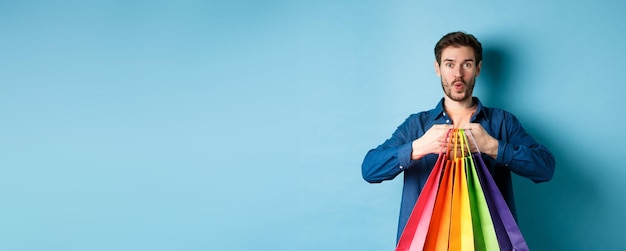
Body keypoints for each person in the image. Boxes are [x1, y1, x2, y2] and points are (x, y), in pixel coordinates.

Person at [361, 31, 556, 242]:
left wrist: (492, 146)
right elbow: (370, 169)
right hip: (426, 243)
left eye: (467, 64)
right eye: (450, 64)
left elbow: (545, 168)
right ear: (438, 68)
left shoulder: (502, 122)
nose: (458, 74)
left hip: (488, 243)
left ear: (478, 69)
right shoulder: (416, 126)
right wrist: (418, 148)